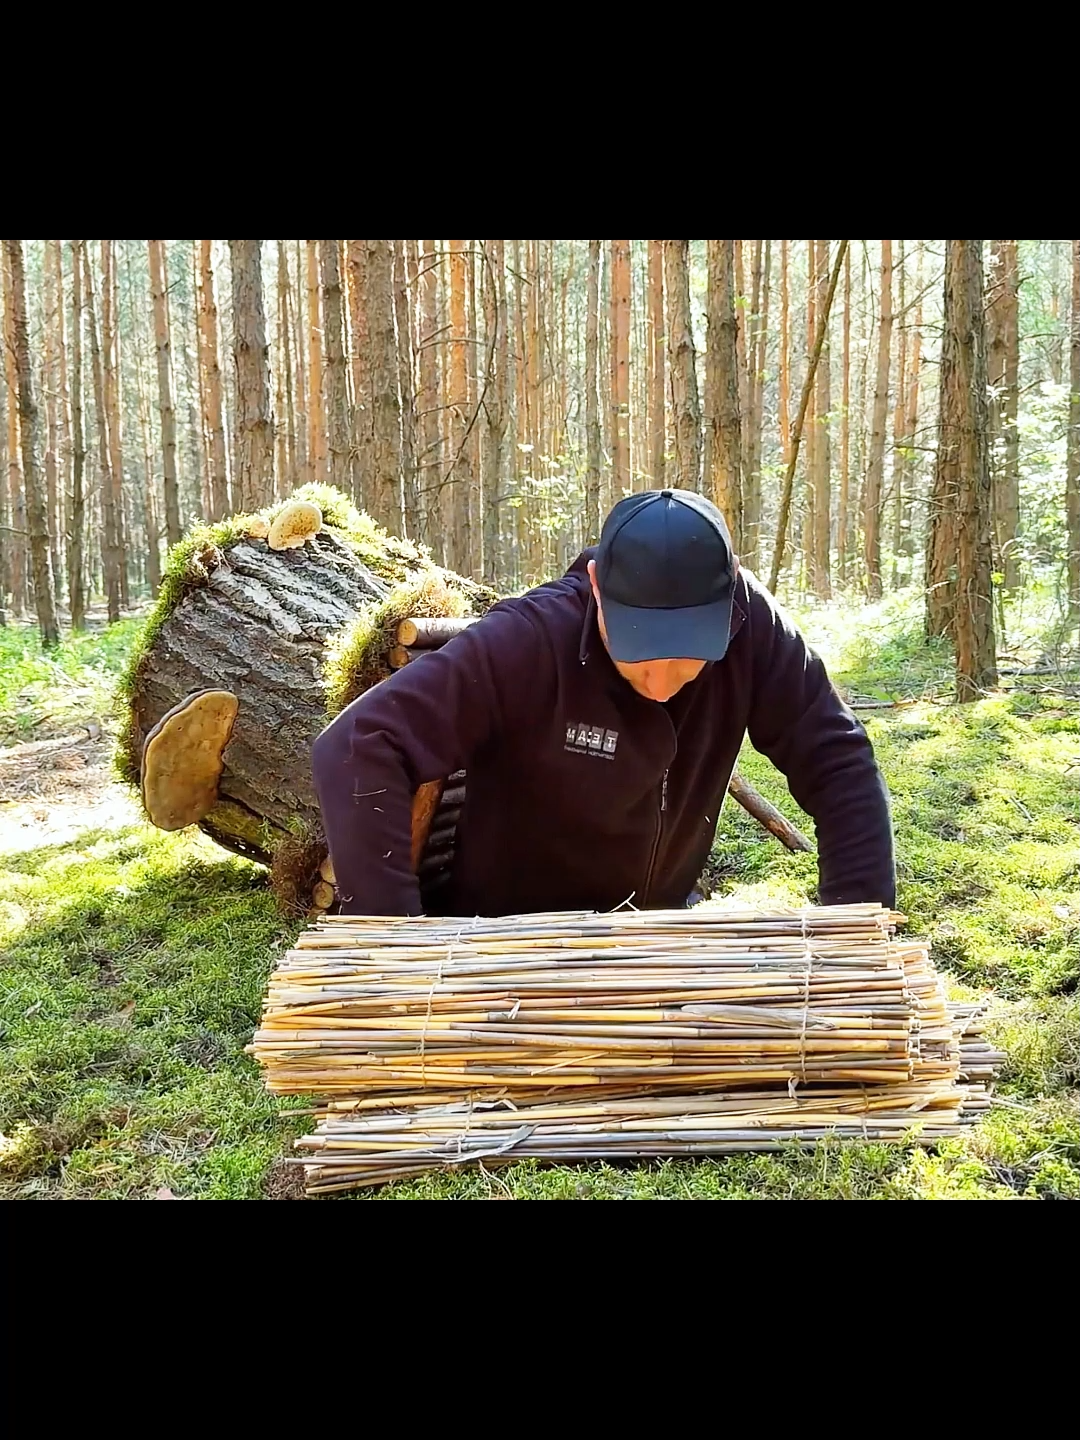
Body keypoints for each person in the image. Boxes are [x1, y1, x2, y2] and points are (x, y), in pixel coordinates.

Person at [312, 488, 895, 917]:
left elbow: (837, 761)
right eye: (642, 651)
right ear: (597, 589)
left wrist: (857, 932)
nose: (665, 681)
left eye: (691, 654)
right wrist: (392, 947)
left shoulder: (754, 629)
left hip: (653, 937)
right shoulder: (533, 638)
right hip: (508, 945)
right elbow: (360, 743)